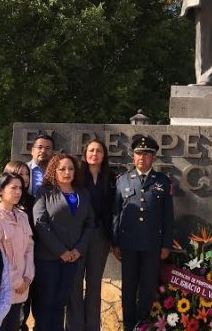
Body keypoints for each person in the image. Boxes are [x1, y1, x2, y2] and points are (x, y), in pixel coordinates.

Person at [113, 135, 174, 331]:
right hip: (128, 245)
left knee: (147, 290)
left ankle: (143, 327)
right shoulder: (122, 181)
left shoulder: (163, 181)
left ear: (153, 158)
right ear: (133, 157)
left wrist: (166, 244)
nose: (142, 157)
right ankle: (129, 327)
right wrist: (114, 242)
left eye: (147, 154)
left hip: (152, 246)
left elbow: (168, 216)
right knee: (129, 289)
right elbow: (115, 213)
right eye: (138, 154)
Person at [33, 153, 93, 331]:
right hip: (48, 258)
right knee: (46, 303)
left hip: (72, 259)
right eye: (62, 169)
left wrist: (79, 250)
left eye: (71, 168)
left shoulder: (83, 193)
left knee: (60, 303)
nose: (67, 172)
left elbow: (90, 224)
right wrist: (61, 251)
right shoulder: (44, 192)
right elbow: (40, 222)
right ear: (54, 171)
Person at [68, 139, 117, 331]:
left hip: (100, 237)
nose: (94, 154)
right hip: (78, 237)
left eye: (98, 151)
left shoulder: (111, 178)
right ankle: (74, 327)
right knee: (74, 285)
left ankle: (92, 328)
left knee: (94, 285)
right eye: (91, 150)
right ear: (85, 154)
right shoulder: (76, 177)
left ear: (104, 155)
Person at [0, 172, 35, 331]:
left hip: (21, 288)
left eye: (20, 188)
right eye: (13, 188)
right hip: (2, 288)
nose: (18, 192)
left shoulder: (22, 216)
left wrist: (27, 277)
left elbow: (29, 248)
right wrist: (16, 281)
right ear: (1, 190)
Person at [3, 160, 36, 331]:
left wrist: (27, 276)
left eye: (27, 174)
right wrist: (16, 279)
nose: (24, 178)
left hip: (26, 269)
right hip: (6, 275)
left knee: (22, 314)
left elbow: (31, 242)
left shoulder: (30, 204)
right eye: (20, 174)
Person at [28, 131, 55, 196]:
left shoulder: (57, 171)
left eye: (47, 148)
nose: (43, 151)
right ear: (32, 151)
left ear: (53, 153)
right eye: (39, 147)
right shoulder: (22, 169)